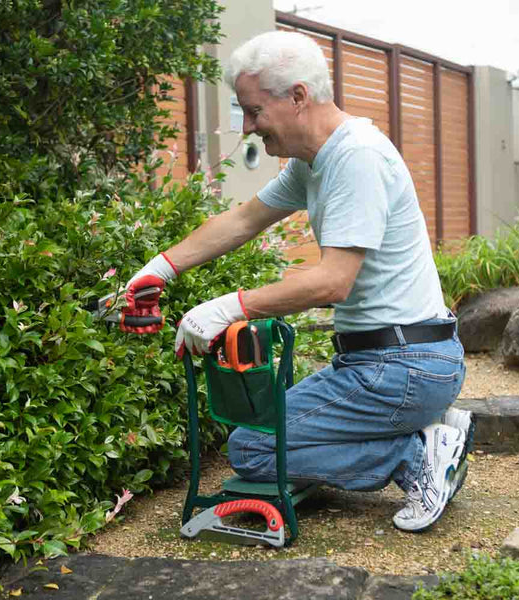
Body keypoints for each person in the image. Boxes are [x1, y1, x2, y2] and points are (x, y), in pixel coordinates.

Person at [122, 30, 474, 532]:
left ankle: (414, 455)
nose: (246, 127)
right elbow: (244, 220)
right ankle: (424, 431)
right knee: (269, 438)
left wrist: (230, 307)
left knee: (254, 447)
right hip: (389, 362)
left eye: (253, 111)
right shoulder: (316, 161)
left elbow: (333, 282)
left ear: (298, 97)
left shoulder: (358, 157)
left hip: (401, 368)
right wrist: (160, 267)